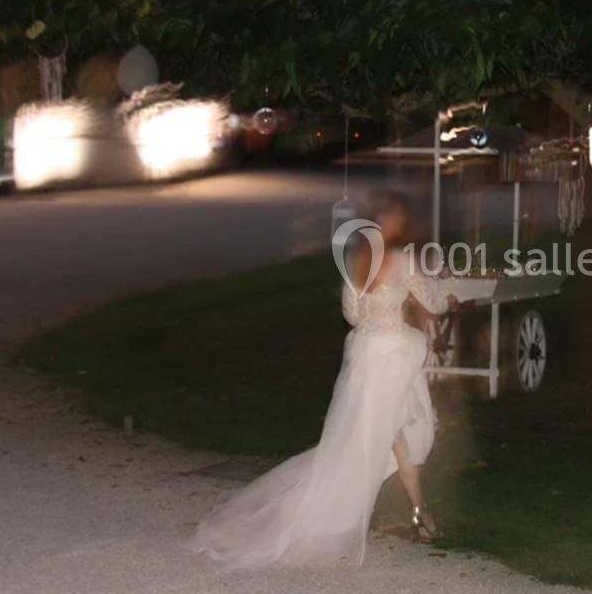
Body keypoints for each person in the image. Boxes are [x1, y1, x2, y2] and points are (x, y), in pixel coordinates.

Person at [192, 191, 458, 567]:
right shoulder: (402, 260)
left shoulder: (359, 261)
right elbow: (433, 301)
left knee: (384, 435)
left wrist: (377, 315)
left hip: (366, 356)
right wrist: (449, 291)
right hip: (391, 357)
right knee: (394, 434)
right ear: (391, 223)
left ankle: (415, 513)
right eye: (399, 218)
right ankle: (417, 515)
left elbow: (351, 314)